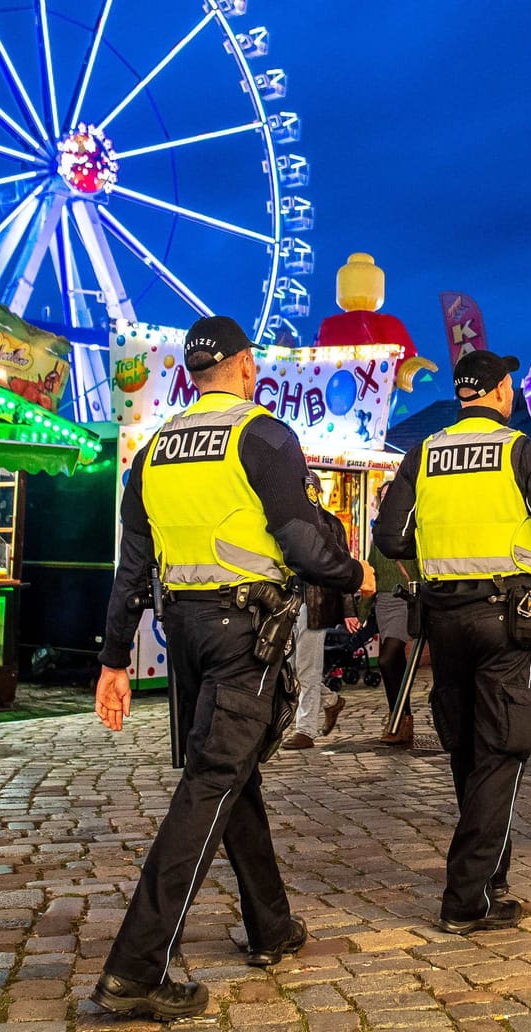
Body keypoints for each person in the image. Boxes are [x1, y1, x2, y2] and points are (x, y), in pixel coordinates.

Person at [91, 316, 374, 1019]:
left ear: (193, 372)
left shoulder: (152, 451)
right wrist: (357, 573)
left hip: (181, 629)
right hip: (245, 630)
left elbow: (130, 569)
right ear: (248, 367)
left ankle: (270, 925)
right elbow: (304, 544)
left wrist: (113, 659)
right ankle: (134, 968)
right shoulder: (264, 434)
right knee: (213, 781)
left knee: (231, 770)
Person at [374, 349, 531, 934]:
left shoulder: (425, 452)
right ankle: (466, 895)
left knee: (465, 745)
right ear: (497, 392)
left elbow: (391, 535)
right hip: (502, 614)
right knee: (504, 746)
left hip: (442, 615)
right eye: (510, 385)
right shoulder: (520, 450)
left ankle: (493, 873)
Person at [284, 473, 356, 750]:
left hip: (314, 603)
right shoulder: (286, 522)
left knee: (307, 668)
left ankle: (305, 729)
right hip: (287, 601)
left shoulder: (329, 524)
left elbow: (343, 568)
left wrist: (349, 609)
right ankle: (330, 701)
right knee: (288, 669)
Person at [365, 488, 419, 745]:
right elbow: (371, 571)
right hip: (383, 603)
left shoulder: (414, 529)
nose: (388, 499)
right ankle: (401, 719)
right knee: (394, 662)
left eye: (392, 495)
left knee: (387, 659)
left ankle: (398, 718)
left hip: (404, 600)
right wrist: (360, 613)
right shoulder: (379, 535)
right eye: (384, 496)